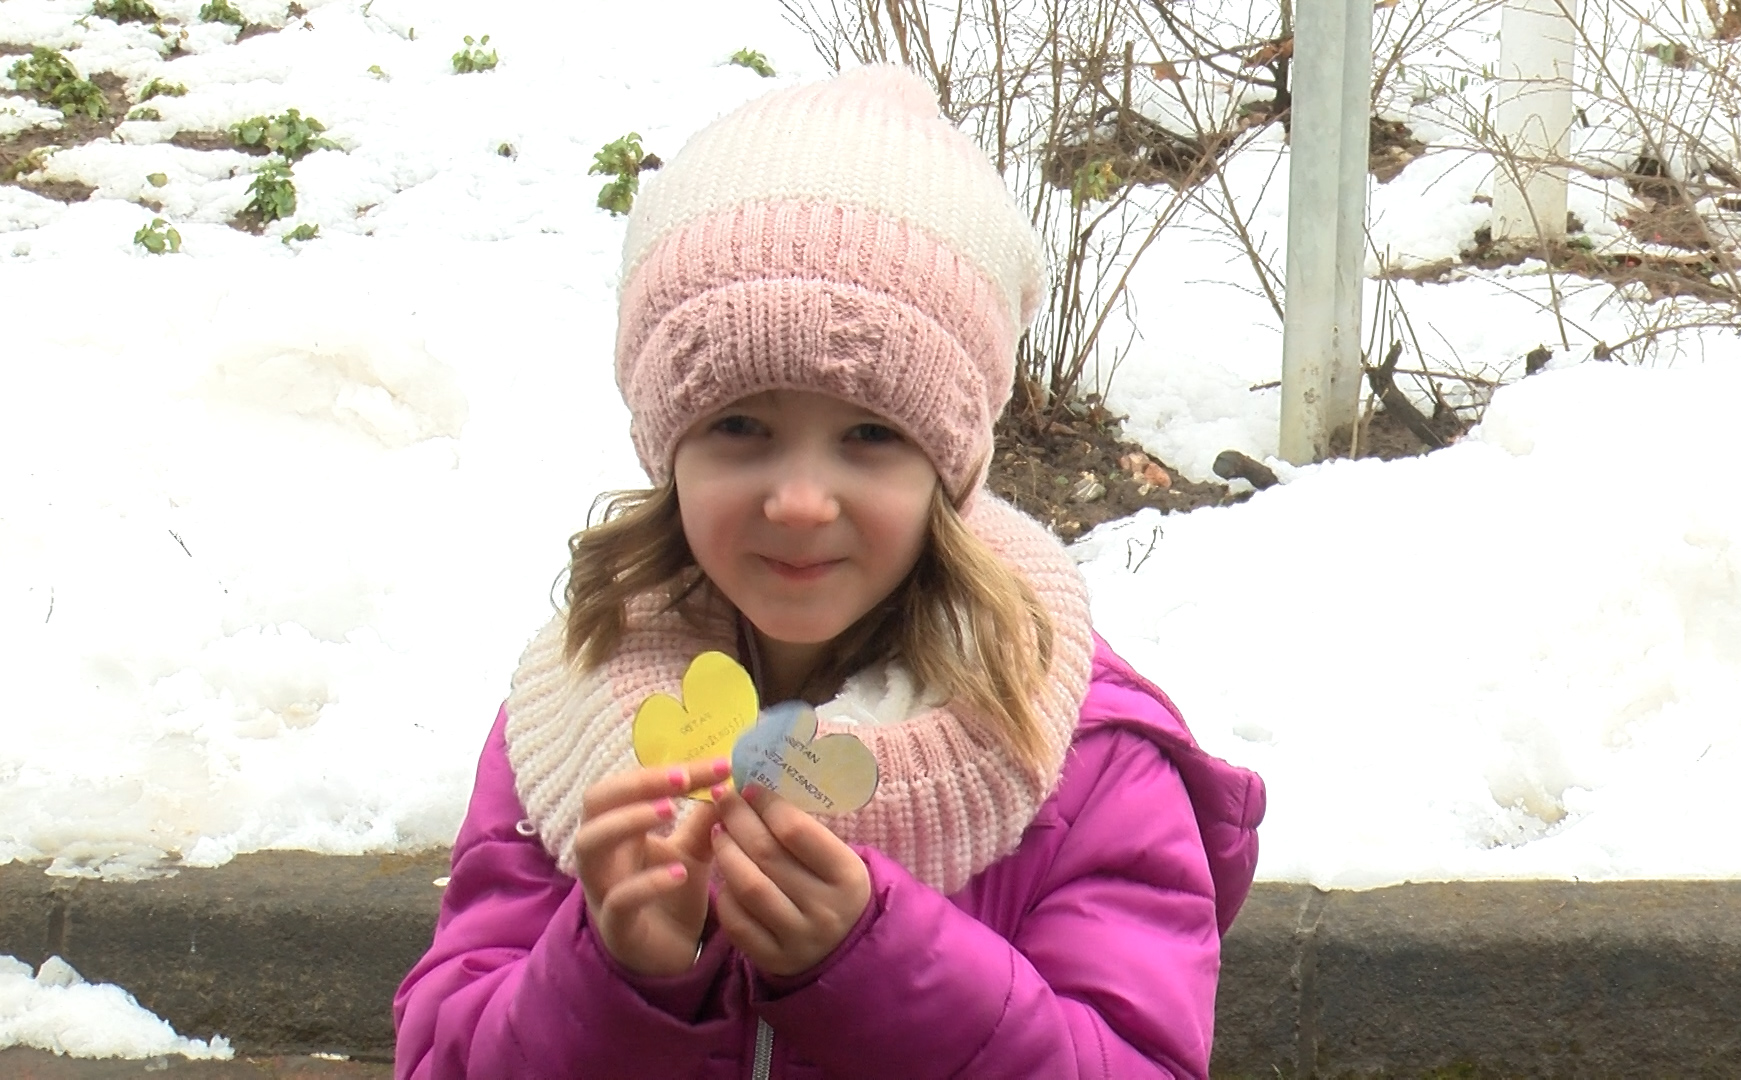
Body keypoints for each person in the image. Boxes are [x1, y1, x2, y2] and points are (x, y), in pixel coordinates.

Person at [393, 64, 1266, 1079]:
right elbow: (443, 1054)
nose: (801, 501)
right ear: (668, 448)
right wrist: (616, 980)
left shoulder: (1078, 755)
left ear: (950, 470)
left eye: (869, 434)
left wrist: (883, 969)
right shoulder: (574, 712)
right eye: (740, 426)